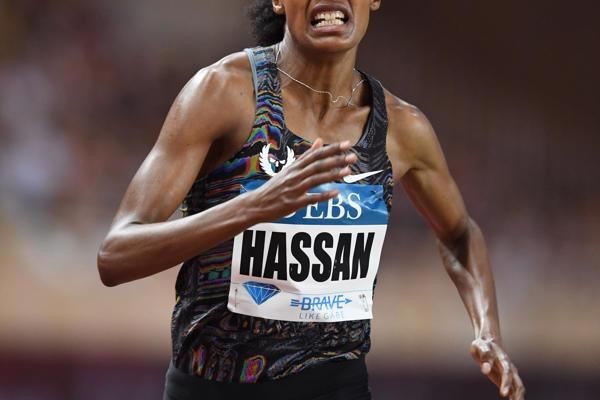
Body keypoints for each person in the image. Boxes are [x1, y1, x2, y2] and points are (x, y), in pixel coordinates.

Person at [97, 0, 526, 399]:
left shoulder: (401, 128)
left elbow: (459, 234)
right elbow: (116, 255)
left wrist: (487, 329)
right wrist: (253, 206)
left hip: (337, 387)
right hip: (212, 386)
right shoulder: (224, 93)